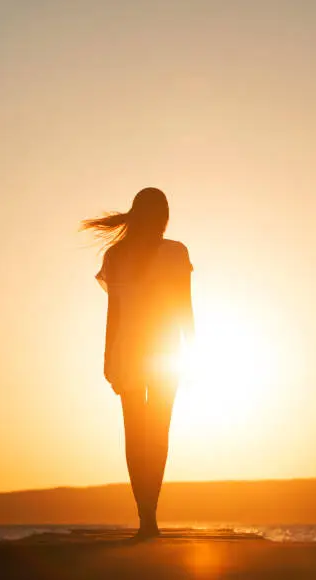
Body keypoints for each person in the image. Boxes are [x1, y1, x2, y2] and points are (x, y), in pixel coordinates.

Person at [80, 187, 194, 539]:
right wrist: (192, 349)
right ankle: (150, 518)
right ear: (163, 216)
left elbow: (113, 315)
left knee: (135, 434)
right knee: (157, 433)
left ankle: (146, 517)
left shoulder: (118, 255)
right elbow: (184, 307)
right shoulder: (175, 252)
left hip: (130, 350)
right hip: (165, 351)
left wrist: (106, 357)